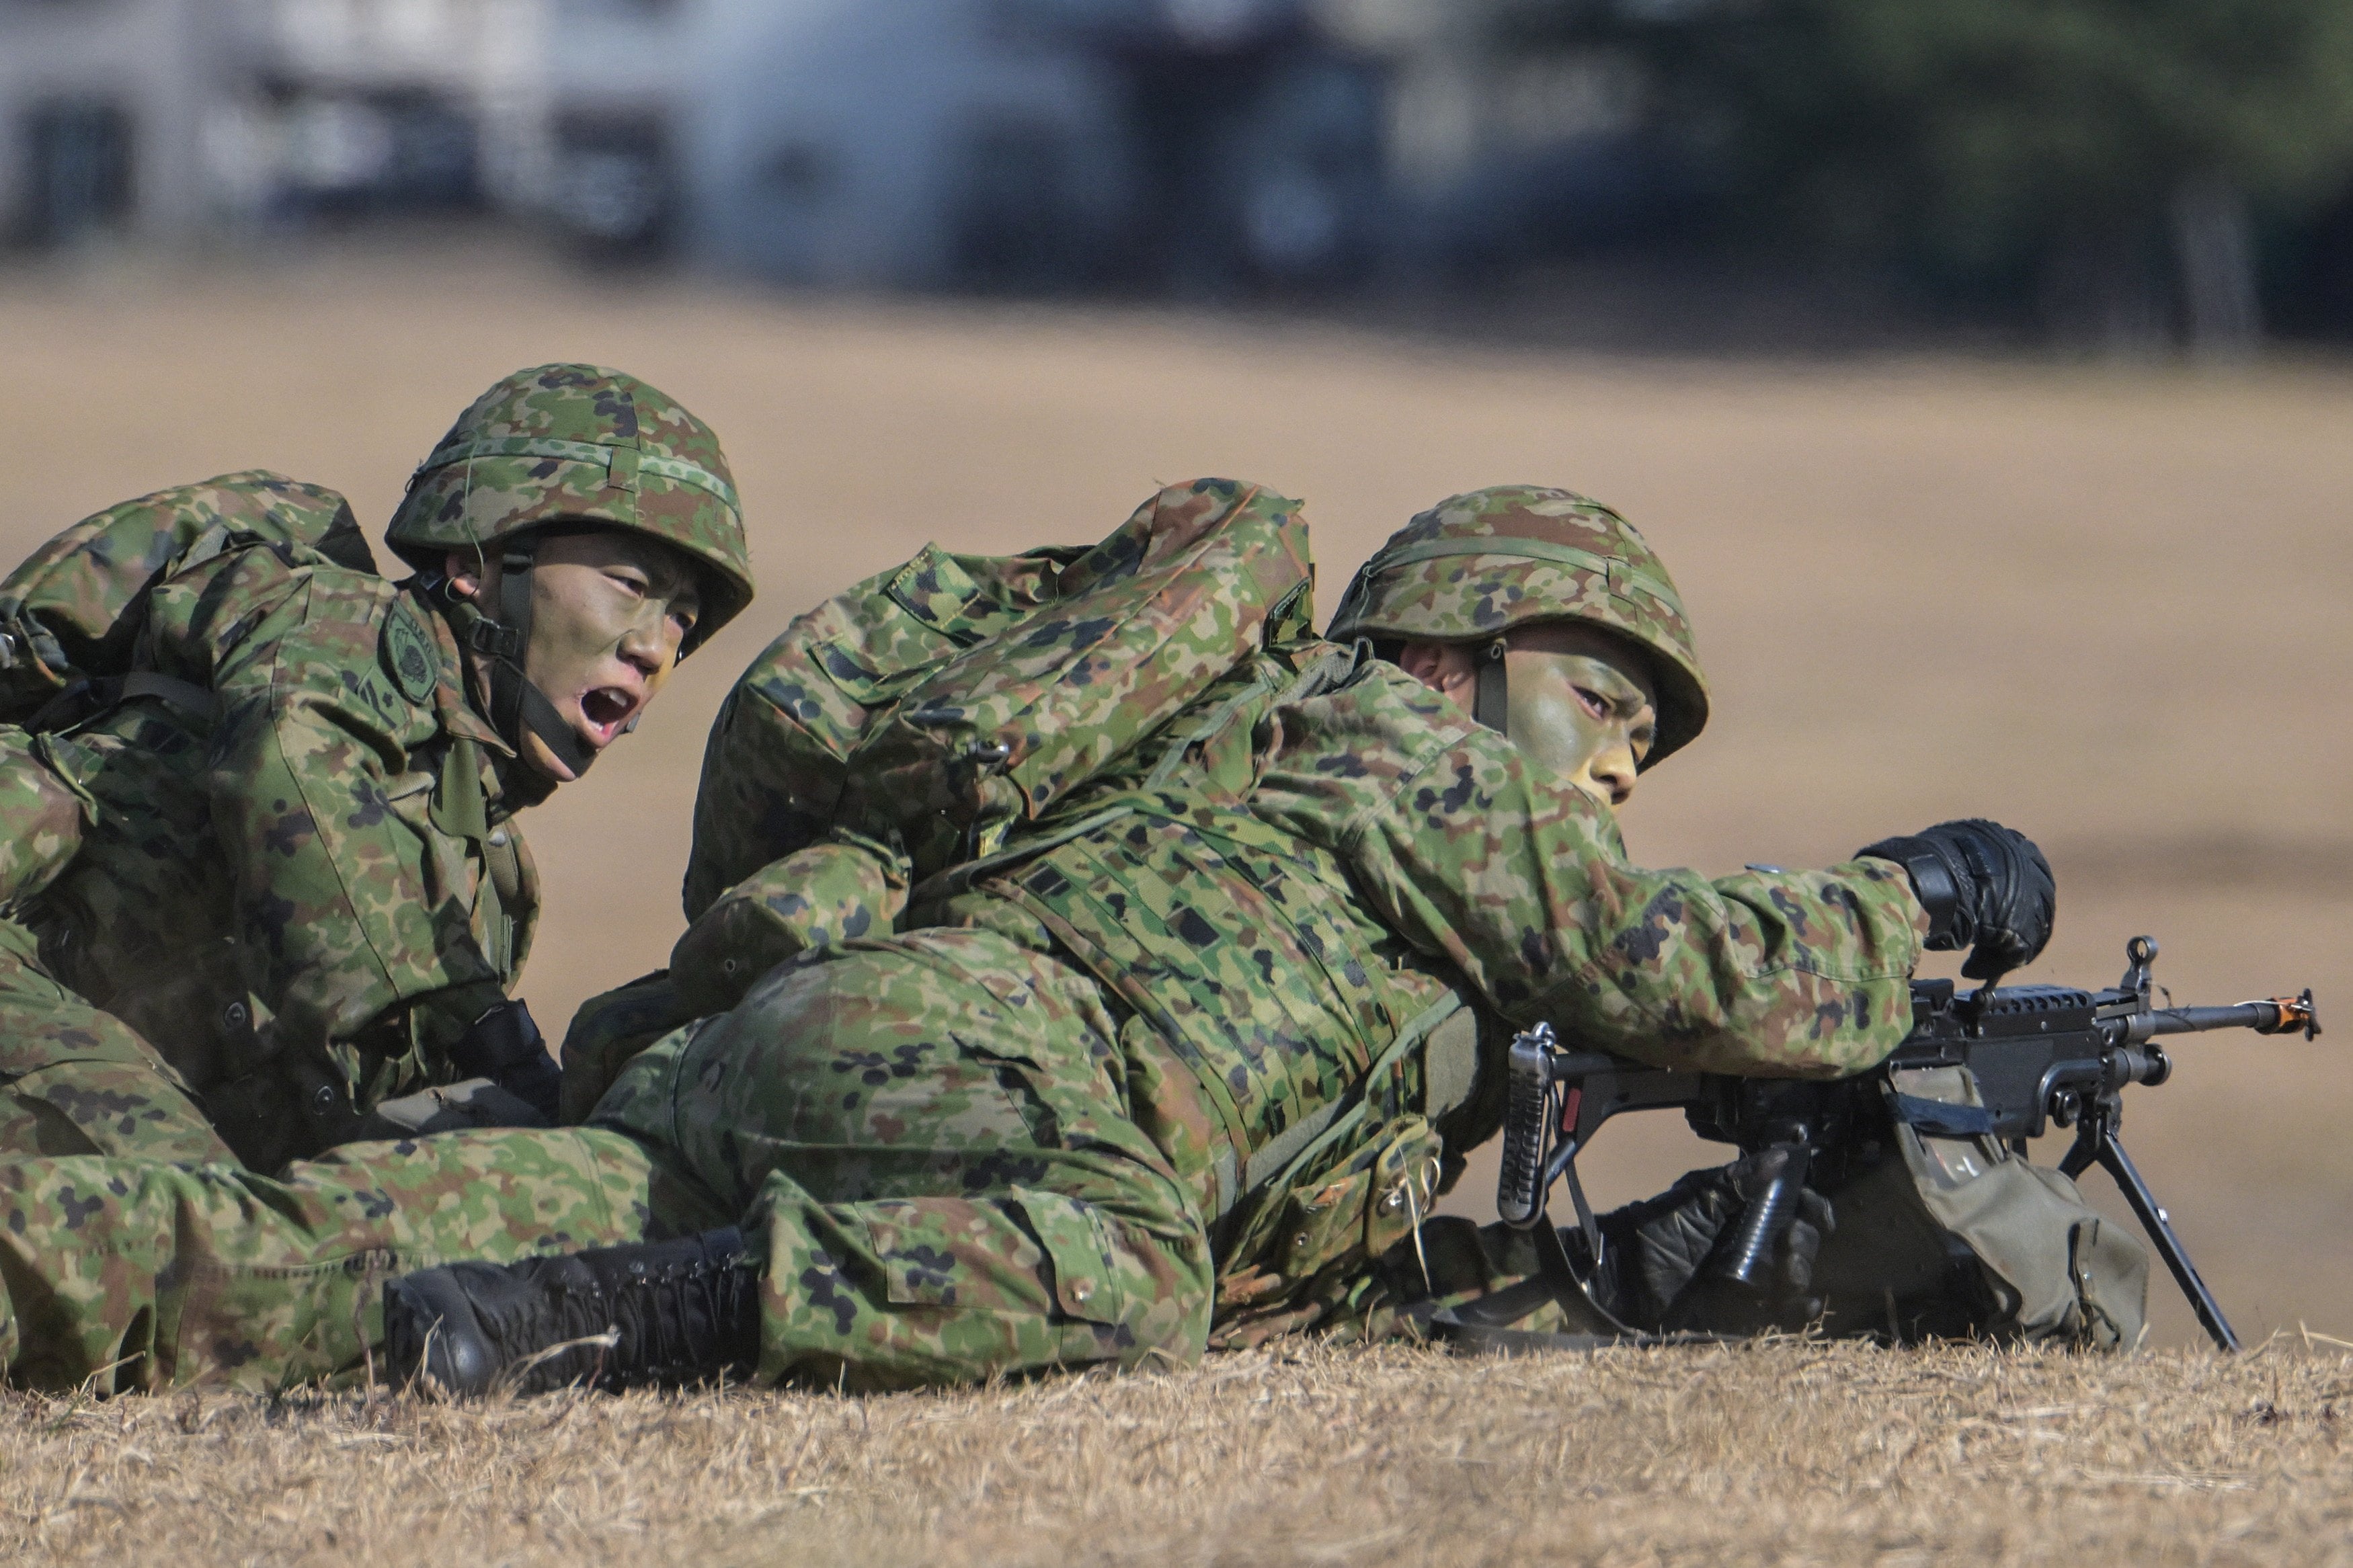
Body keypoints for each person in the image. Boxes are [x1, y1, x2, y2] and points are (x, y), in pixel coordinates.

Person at [0, 485, 2057, 1395]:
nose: (1615, 770)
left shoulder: (1237, 769)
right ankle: (616, 1321)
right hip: (982, 1083)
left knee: (301, 1263)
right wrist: (1917, 896)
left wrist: (1619, 1266)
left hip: (809, 1075)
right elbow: (1676, 968)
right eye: (1600, 707)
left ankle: (127, 1279)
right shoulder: (1375, 737)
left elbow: (1309, 1280)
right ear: (1459, 647)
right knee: (1117, 1269)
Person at [0, 364, 754, 1173]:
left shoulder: (490, 883)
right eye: (630, 585)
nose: (655, 646)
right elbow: (294, 776)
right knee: (181, 1237)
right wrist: (481, 1049)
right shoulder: (344, 630)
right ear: (479, 563)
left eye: (681, 616)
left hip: (94, 1049)